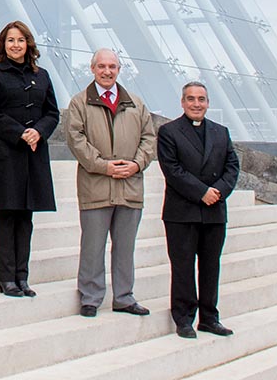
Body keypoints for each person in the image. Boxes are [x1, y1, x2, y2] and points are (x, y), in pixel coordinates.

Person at [63, 47, 157, 317]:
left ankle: (124, 297)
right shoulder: (80, 103)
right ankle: (90, 297)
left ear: (119, 70)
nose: (107, 71)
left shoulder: (136, 104)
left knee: (125, 246)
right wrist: (104, 166)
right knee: (93, 245)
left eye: (112, 67)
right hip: (96, 186)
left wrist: (137, 163)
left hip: (130, 186)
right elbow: (76, 140)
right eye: (101, 66)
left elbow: (149, 139)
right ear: (92, 69)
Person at [0, 21, 59, 297]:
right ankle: (6, 278)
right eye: (10, 40)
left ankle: (23, 277)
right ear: (2, 44)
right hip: (6, 154)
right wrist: (20, 132)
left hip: (34, 155)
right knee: (6, 216)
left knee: (26, 218)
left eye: (20, 40)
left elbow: (52, 113)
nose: (15, 45)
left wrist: (38, 132)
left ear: (28, 44)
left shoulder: (42, 75)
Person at [158, 81, 240, 339]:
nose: (196, 104)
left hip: (214, 211)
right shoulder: (169, 132)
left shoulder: (221, 132)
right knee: (182, 267)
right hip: (182, 212)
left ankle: (209, 318)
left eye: (201, 99)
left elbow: (232, 166)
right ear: (182, 102)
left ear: (207, 103)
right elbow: (172, 169)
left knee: (210, 266)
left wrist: (217, 191)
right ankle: (183, 318)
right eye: (191, 99)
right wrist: (201, 192)